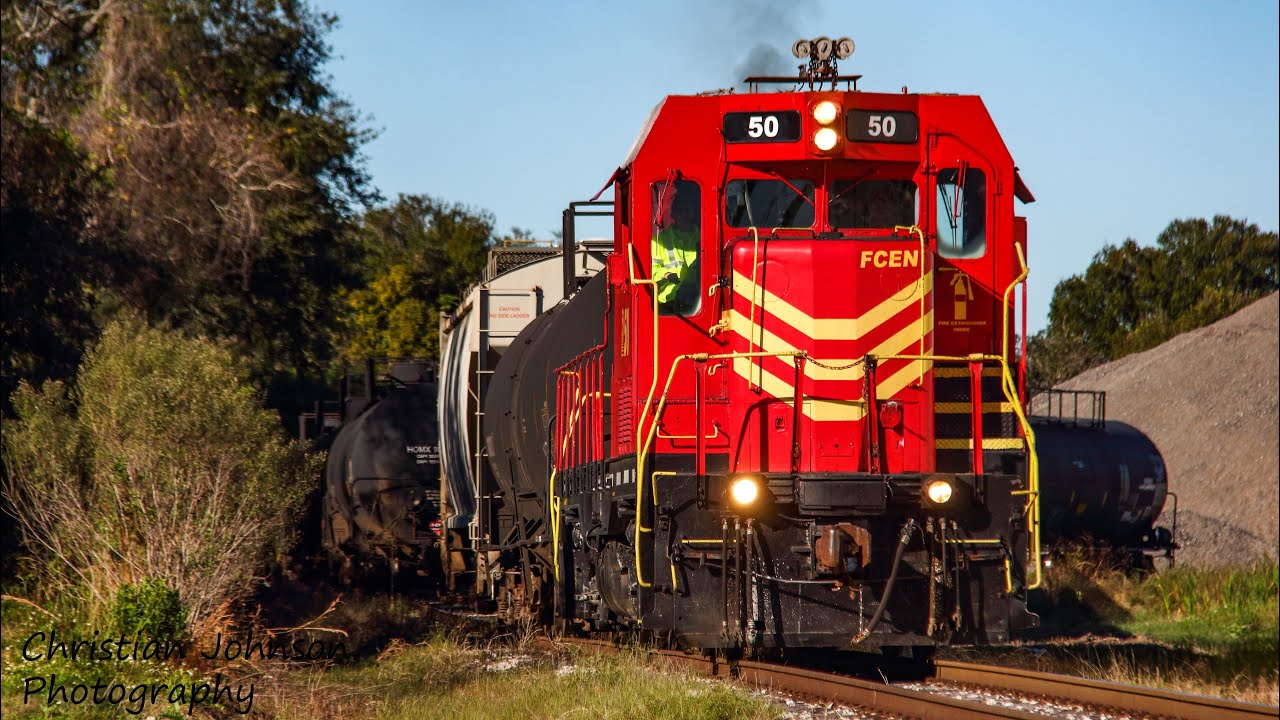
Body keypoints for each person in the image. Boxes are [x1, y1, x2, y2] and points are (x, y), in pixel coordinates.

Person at [652, 187, 700, 314]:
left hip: (699, 301)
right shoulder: (659, 240)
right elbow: (651, 270)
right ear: (674, 213)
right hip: (668, 301)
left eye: (689, 210)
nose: (686, 214)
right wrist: (666, 275)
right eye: (682, 210)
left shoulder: (703, 238)